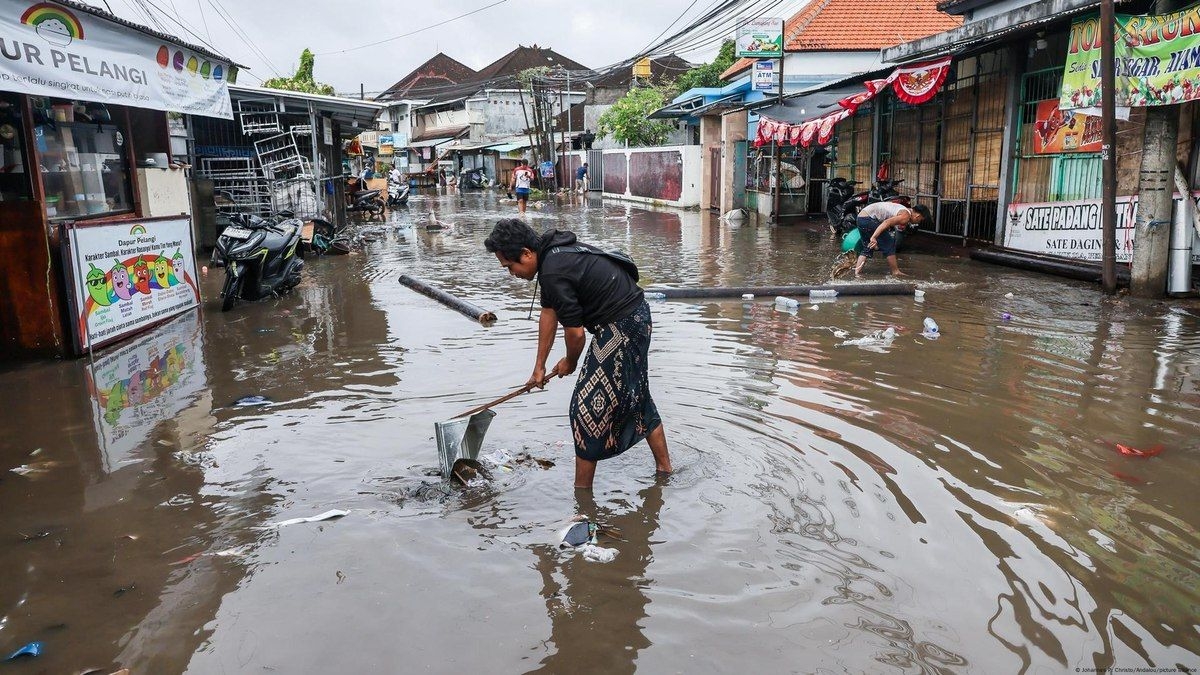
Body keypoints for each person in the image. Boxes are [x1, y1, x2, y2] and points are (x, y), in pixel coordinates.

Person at [484, 219, 672, 489]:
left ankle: (582, 496)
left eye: (510, 266)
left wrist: (570, 362)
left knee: (585, 409)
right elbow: (549, 313)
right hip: (635, 317)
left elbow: (576, 334)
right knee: (637, 394)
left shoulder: (553, 270)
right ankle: (664, 470)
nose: (511, 273)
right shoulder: (551, 256)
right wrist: (539, 367)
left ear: (526, 253)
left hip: (623, 324)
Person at [853, 202, 932, 277]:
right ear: (917, 216)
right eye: (920, 220)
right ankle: (895, 271)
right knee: (889, 243)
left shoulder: (905, 210)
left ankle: (856, 273)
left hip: (861, 218)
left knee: (867, 247)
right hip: (868, 219)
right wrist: (874, 237)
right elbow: (886, 222)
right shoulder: (906, 216)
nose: (918, 222)